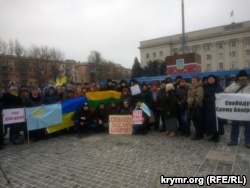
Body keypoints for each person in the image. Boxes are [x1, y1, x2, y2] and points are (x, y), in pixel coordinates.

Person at [224, 70, 250, 148]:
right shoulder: (233, 85)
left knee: (248, 126)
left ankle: (248, 141)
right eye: (241, 76)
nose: (242, 78)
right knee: (235, 125)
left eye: (244, 76)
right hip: (235, 110)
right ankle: (234, 140)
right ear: (238, 77)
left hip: (247, 110)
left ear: (246, 77)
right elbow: (225, 93)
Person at [204, 75, 224, 142]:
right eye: (209, 79)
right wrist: (207, 100)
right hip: (208, 107)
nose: (210, 80)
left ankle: (217, 136)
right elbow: (204, 96)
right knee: (210, 122)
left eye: (212, 79)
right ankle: (212, 134)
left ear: (215, 79)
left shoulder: (219, 87)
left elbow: (221, 96)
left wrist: (213, 99)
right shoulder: (206, 87)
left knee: (217, 122)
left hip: (216, 107)